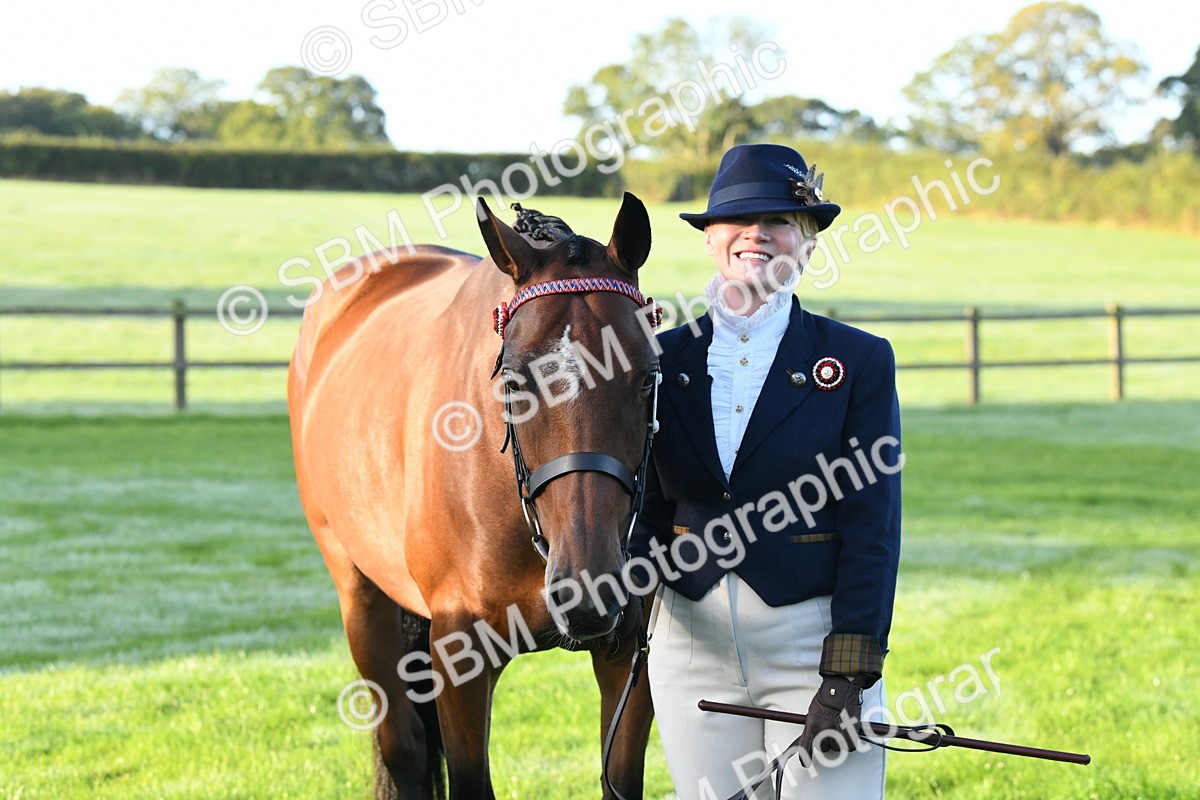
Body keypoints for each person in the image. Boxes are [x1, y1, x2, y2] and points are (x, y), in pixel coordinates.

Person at [630, 143, 902, 799]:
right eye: (739, 219)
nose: (758, 232)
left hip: (810, 647)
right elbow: (642, 504)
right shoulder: (657, 357)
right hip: (688, 645)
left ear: (807, 244)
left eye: (780, 220)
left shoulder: (858, 361)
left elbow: (874, 526)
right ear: (710, 238)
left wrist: (847, 674)